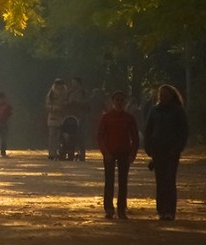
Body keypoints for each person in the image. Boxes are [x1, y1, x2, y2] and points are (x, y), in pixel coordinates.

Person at [144, 84, 189, 221]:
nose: (163, 98)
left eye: (166, 95)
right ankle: (161, 209)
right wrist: (148, 148)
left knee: (169, 180)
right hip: (157, 150)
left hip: (171, 150)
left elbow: (184, 131)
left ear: (171, 96)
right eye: (161, 95)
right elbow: (149, 129)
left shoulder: (178, 111)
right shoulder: (154, 110)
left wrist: (178, 148)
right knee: (160, 180)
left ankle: (169, 210)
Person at [96, 91, 140, 219]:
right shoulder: (106, 117)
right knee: (109, 181)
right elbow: (100, 137)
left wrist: (132, 154)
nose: (119, 103)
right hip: (109, 152)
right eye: (117, 100)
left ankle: (121, 208)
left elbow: (135, 138)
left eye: (121, 100)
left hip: (124, 152)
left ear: (125, 102)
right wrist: (105, 152)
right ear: (112, 102)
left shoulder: (129, 118)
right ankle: (109, 208)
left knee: (123, 182)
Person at [66, 77, 90, 160]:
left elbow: (87, 103)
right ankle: (70, 153)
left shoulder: (83, 93)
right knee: (72, 136)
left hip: (81, 116)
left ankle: (82, 154)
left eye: (75, 83)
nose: (73, 85)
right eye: (72, 83)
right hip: (71, 117)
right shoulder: (70, 93)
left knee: (81, 136)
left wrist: (76, 102)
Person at [45, 78, 69, 160]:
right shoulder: (51, 94)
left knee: (61, 136)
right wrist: (53, 108)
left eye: (60, 84)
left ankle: (61, 152)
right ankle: (52, 153)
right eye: (57, 84)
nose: (59, 86)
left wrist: (65, 106)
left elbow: (68, 103)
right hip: (53, 117)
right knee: (52, 136)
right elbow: (47, 105)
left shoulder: (66, 93)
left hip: (63, 117)